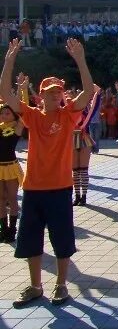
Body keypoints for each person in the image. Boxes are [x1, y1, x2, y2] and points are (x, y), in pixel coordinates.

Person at [1, 38, 95, 308]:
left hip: (60, 187)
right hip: (33, 188)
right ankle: (35, 285)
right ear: (41, 96)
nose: (58, 96)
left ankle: (61, 284)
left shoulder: (68, 116)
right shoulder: (32, 116)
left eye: (60, 92)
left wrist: (80, 59)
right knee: (30, 239)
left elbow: (88, 91)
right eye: (52, 93)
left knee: (62, 238)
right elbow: (6, 95)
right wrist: (9, 61)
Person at [72, 85, 102, 206]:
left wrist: (95, 89)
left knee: (83, 170)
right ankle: (77, 196)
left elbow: (97, 98)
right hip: (72, 139)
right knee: (75, 170)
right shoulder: (70, 110)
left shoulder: (87, 111)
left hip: (84, 139)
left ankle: (83, 196)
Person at [0, 100, 24, 243]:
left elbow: (23, 113)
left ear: (13, 115)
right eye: (2, 113)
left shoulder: (17, 127)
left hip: (10, 167)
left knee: (12, 198)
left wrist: (22, 90)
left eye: (7, 113)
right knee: (1, 199)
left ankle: (12, 229)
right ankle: (3, 229)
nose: (4, 115)